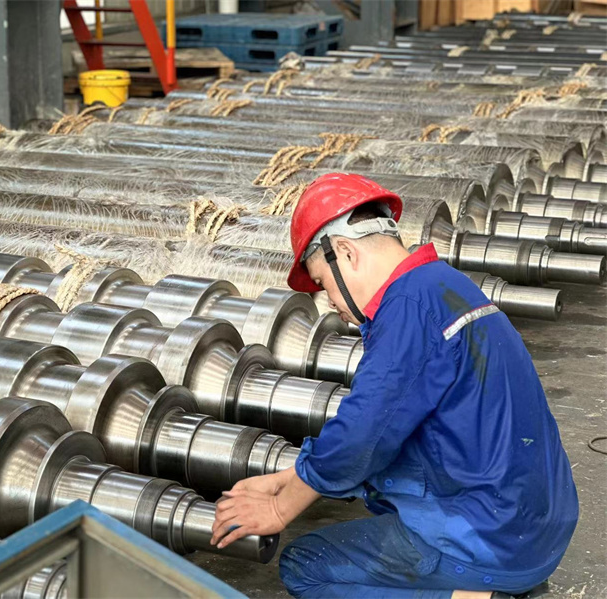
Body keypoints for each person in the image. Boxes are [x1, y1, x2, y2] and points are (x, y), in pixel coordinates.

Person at [210, 173, 578, 599]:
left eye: (323, 283)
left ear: (346, 252)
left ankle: (478, 596)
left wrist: (280, 506)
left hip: (492, 538)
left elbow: (361, 437)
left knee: (306, 566)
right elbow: (396, 436)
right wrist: (293, 476)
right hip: (536, 524)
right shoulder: (445, 285)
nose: (329, 302)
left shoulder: (407, 309)